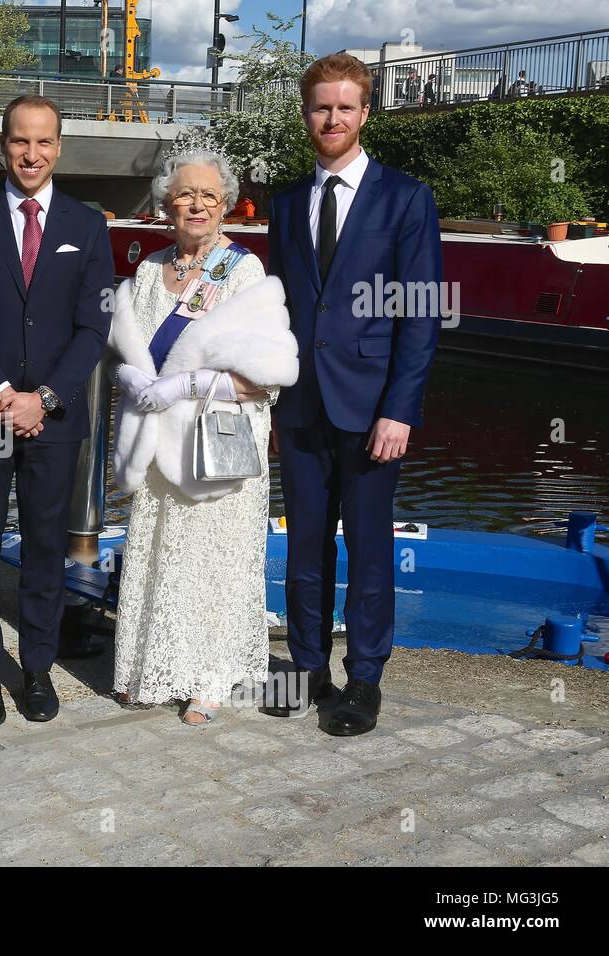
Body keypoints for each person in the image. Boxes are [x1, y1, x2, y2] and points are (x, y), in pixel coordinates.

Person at [265, 53, 441, 736]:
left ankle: (365, 678)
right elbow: (277, 312)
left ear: (365, 112)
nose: (332, 118)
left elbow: (420, 314)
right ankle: (309, 667)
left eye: (344, 106)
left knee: (369, 547)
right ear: (306, 114)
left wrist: (400, 407)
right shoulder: (285, 203)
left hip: (373, 409)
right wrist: (273, 402)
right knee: (306, 544)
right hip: (302, 405)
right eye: (320, 107)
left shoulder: (405, 198)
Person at [0, 95, 113, 726]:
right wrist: (4, 396)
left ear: (59, 146)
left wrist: (48, 398)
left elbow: (93, 329)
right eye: (18, 142)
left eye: (43, 142)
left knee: (44, 545)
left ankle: (36, 666)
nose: (30, 155)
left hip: (56, 418)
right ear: (3, 144)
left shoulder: (87, 227)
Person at [109, 151, 298, 724]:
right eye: (184, 195)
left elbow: (262, 379)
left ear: (224, 207)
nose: (195, 205)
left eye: (208, 197)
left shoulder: (242, 274)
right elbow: (128, 353)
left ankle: (211, 680)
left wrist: (186, 383)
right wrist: (137, 380)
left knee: (213, 563)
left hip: (214, 444)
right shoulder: (147, 271)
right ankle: (155, 666)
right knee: (161, 553)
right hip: (159, 441)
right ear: (166, 205)